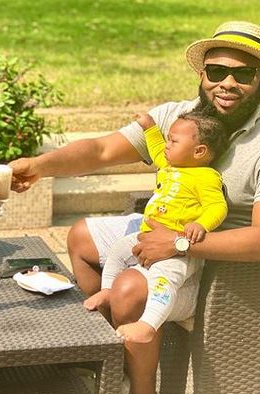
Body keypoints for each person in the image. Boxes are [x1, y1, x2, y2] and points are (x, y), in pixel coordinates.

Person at [9, 20, 260, 394]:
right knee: (81, 236)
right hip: (165, 228)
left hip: (219, 263)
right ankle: (111, 363)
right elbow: (100, 150)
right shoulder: (177, 118)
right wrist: (38, 166)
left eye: (244, 73)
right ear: (202, 74)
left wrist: (179, 244)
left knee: (129, 287)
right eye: (217, 71)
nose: (227, 83)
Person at [84, 111, 228, 345]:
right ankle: (108, 291)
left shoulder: (205, 177)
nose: (167, 145)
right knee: (118, 250)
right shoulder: (170, 164)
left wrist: (201, 224)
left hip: (178, 248)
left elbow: (217, 206)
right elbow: (156, 150)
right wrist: (149, 127)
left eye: (173, 141)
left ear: (199, 151)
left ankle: (148, 325)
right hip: (148, 236)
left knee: (163, 279)